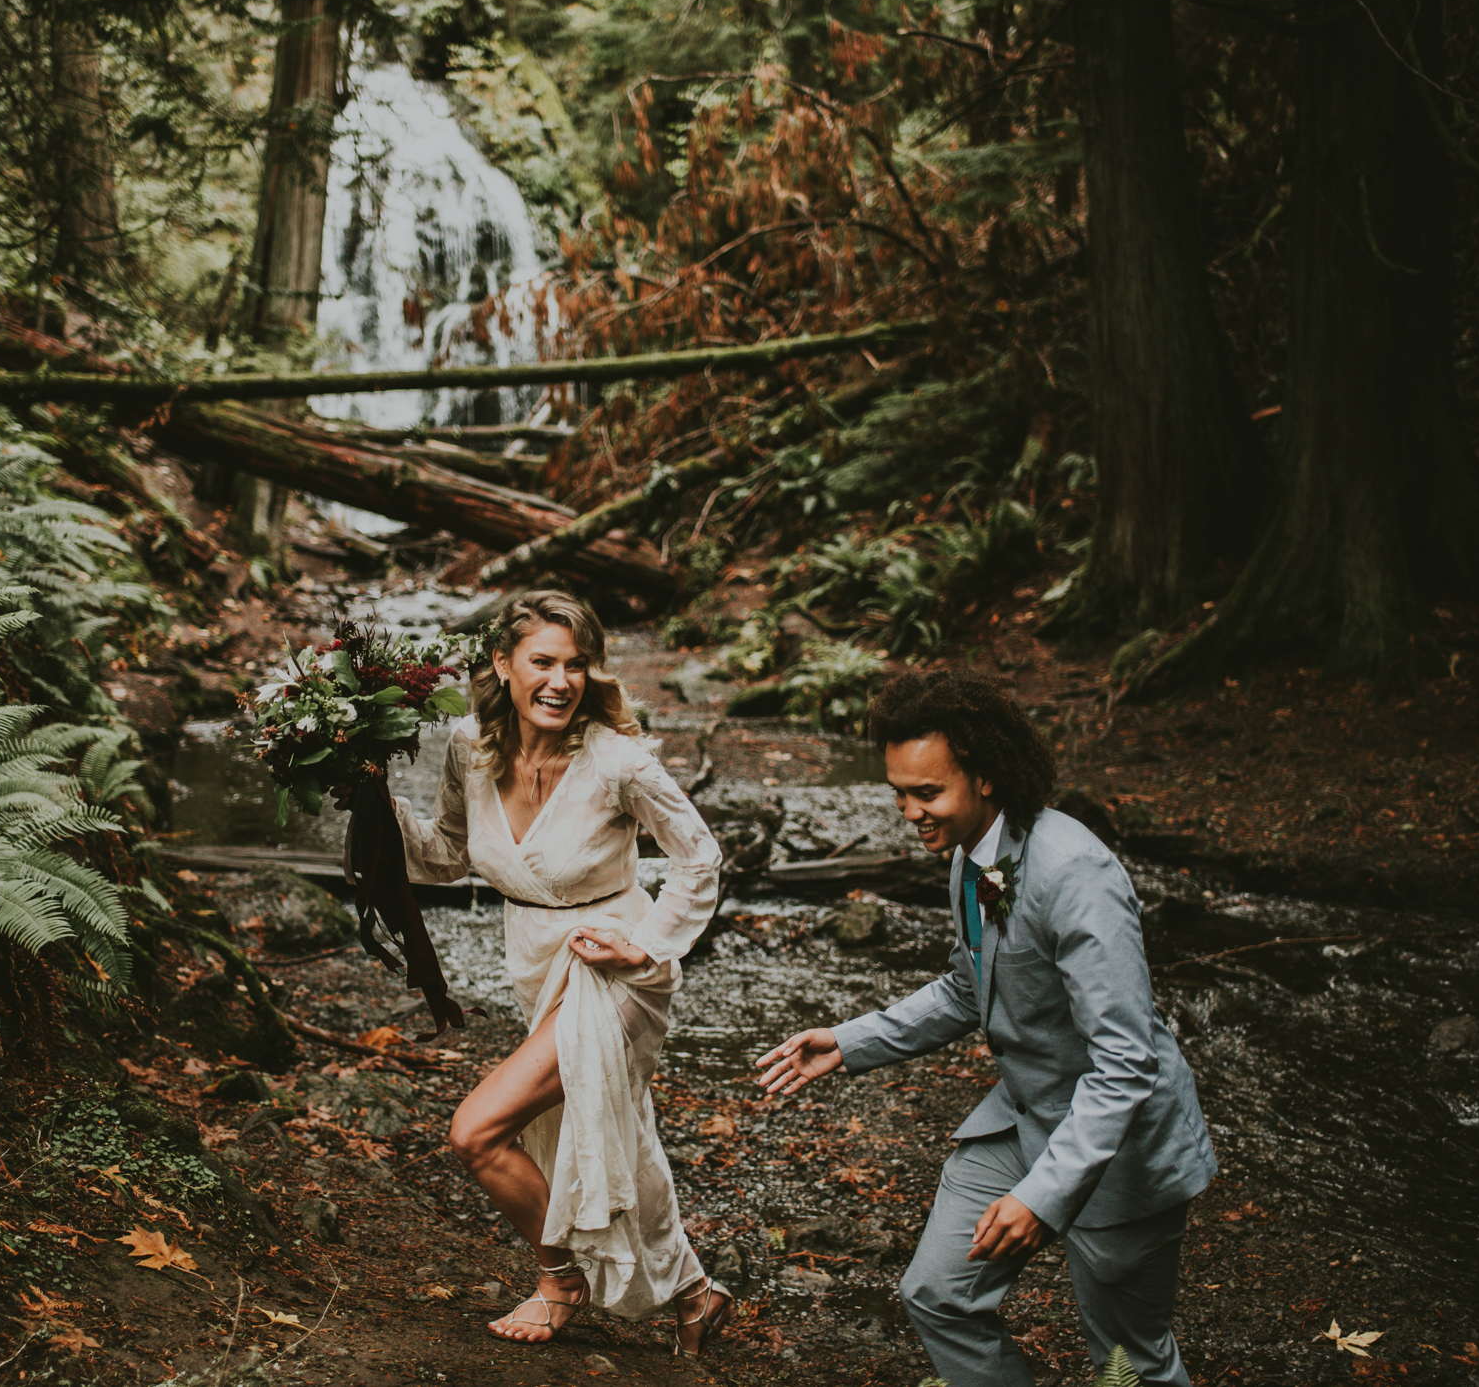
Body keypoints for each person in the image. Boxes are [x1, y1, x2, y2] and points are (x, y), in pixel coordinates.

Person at [755, 668, 1216, 1387]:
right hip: (1023, 1119)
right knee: (938, 1294)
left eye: (927, 793)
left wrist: (1042, 1196)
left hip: (1120, 1150)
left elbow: (1126, 1062)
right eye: (899, 794)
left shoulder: (1076, 875)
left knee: (1131, 1363)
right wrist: (847, 1043)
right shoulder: (970, 856)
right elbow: (966, 989)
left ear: (989, 777)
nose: (909, 813)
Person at [392, 589, 734, 1355]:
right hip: (535, 963)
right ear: (502, 664)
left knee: (477, 1131)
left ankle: (560, 1280)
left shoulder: (617, 761)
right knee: (604, 1135)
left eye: (576, 664)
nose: (560, 680)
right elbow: (446, 854)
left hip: (610, 965)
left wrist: (645, 947)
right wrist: (371, 802)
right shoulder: (469, 749)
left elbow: (699, 855)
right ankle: (694, 1296)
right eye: (542, 661)